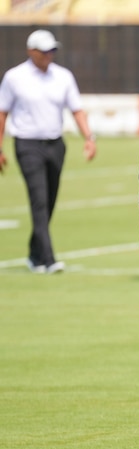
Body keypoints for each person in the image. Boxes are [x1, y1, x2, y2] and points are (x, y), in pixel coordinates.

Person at [0, 29, 97, 273]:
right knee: (39, 200)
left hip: (55, 144)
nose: (48, 55)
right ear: (31, 51)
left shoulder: (63, 76)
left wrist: (89, 137)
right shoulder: (14, 77)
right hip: (27, 143)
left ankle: (34, 253)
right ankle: (48, 258)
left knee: (50, 200)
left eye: (52, 50)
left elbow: (76, 109)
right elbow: (2, 112)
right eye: (44, 51)